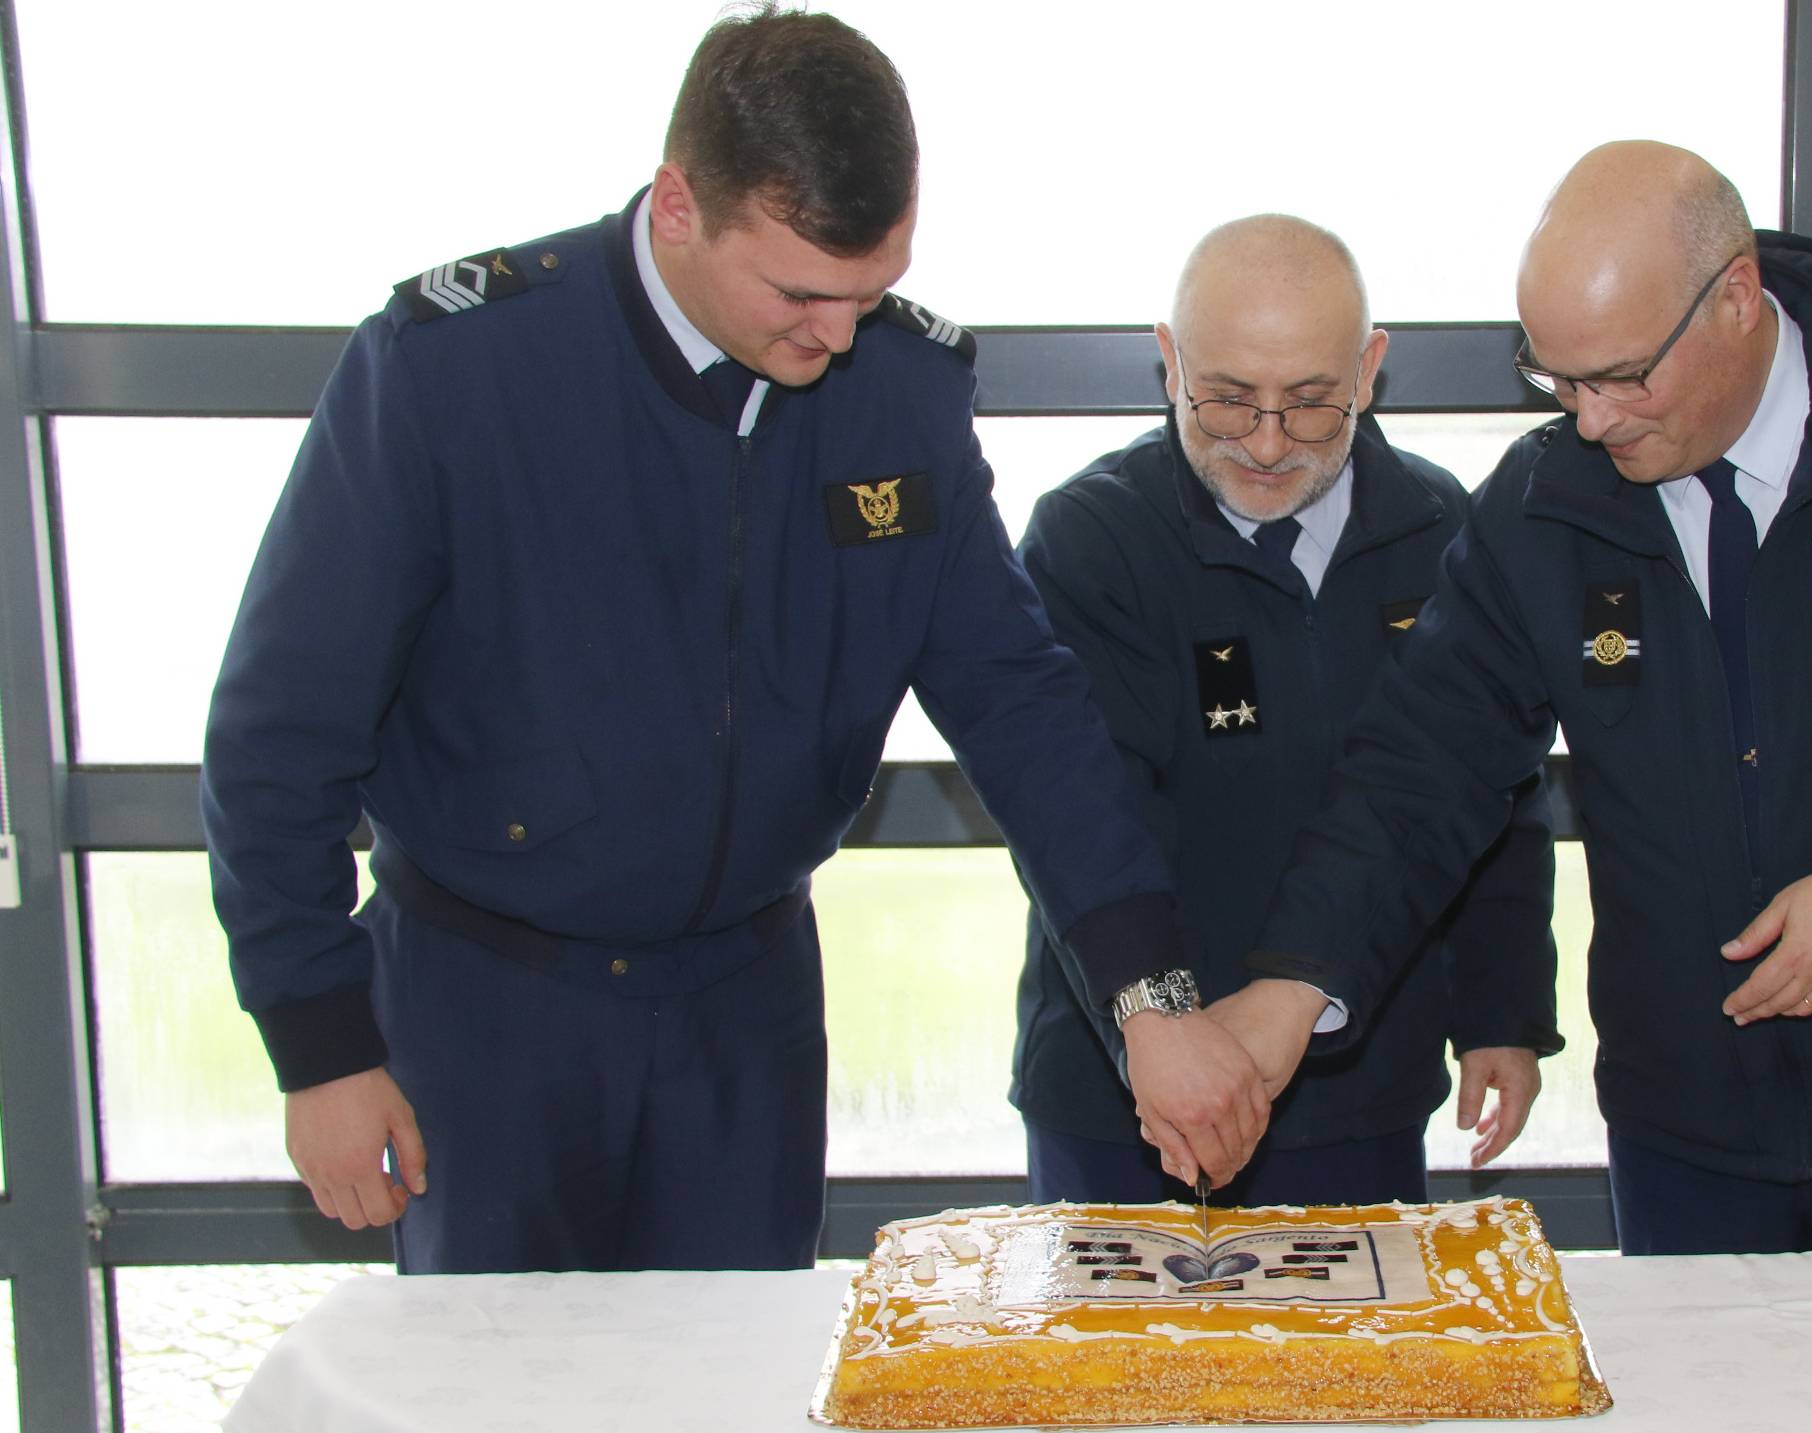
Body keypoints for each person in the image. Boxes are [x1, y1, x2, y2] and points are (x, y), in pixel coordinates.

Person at [201, 6, 1267, 1274]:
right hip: (486, 1006)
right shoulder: (456, 373)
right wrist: (320, 1044)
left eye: (871, 293)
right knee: (493, 1389)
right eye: (802, 292)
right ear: (675, 207)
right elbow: (280, 727)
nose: (835, 334)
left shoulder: (896, 393)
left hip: (742, 1014)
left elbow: (1020, 705)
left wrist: (1149, 992)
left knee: (740, 1382)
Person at [1211, 141, 1812, 1254]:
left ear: (1734, 298)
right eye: (1556, 379)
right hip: (1688, 1133)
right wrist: (1298, 980)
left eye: (1623, 375)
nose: (1591, 419)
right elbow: (1419, 768)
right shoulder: (1542, 501)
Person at [1010, 216, 1562, 1207]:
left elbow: (1489, 795)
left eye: (1311, 406)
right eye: (1225, 402)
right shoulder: (1089, 539)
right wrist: (1165, 1030)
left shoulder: (1445, 532)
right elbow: (1085, 820)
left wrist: (1501, 1010)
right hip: (1128, 1092)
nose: (1266, 444)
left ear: (1370, 369)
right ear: (1169, 361)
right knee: (1120, 1366)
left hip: (1361, 1086)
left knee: (1354, 1361)